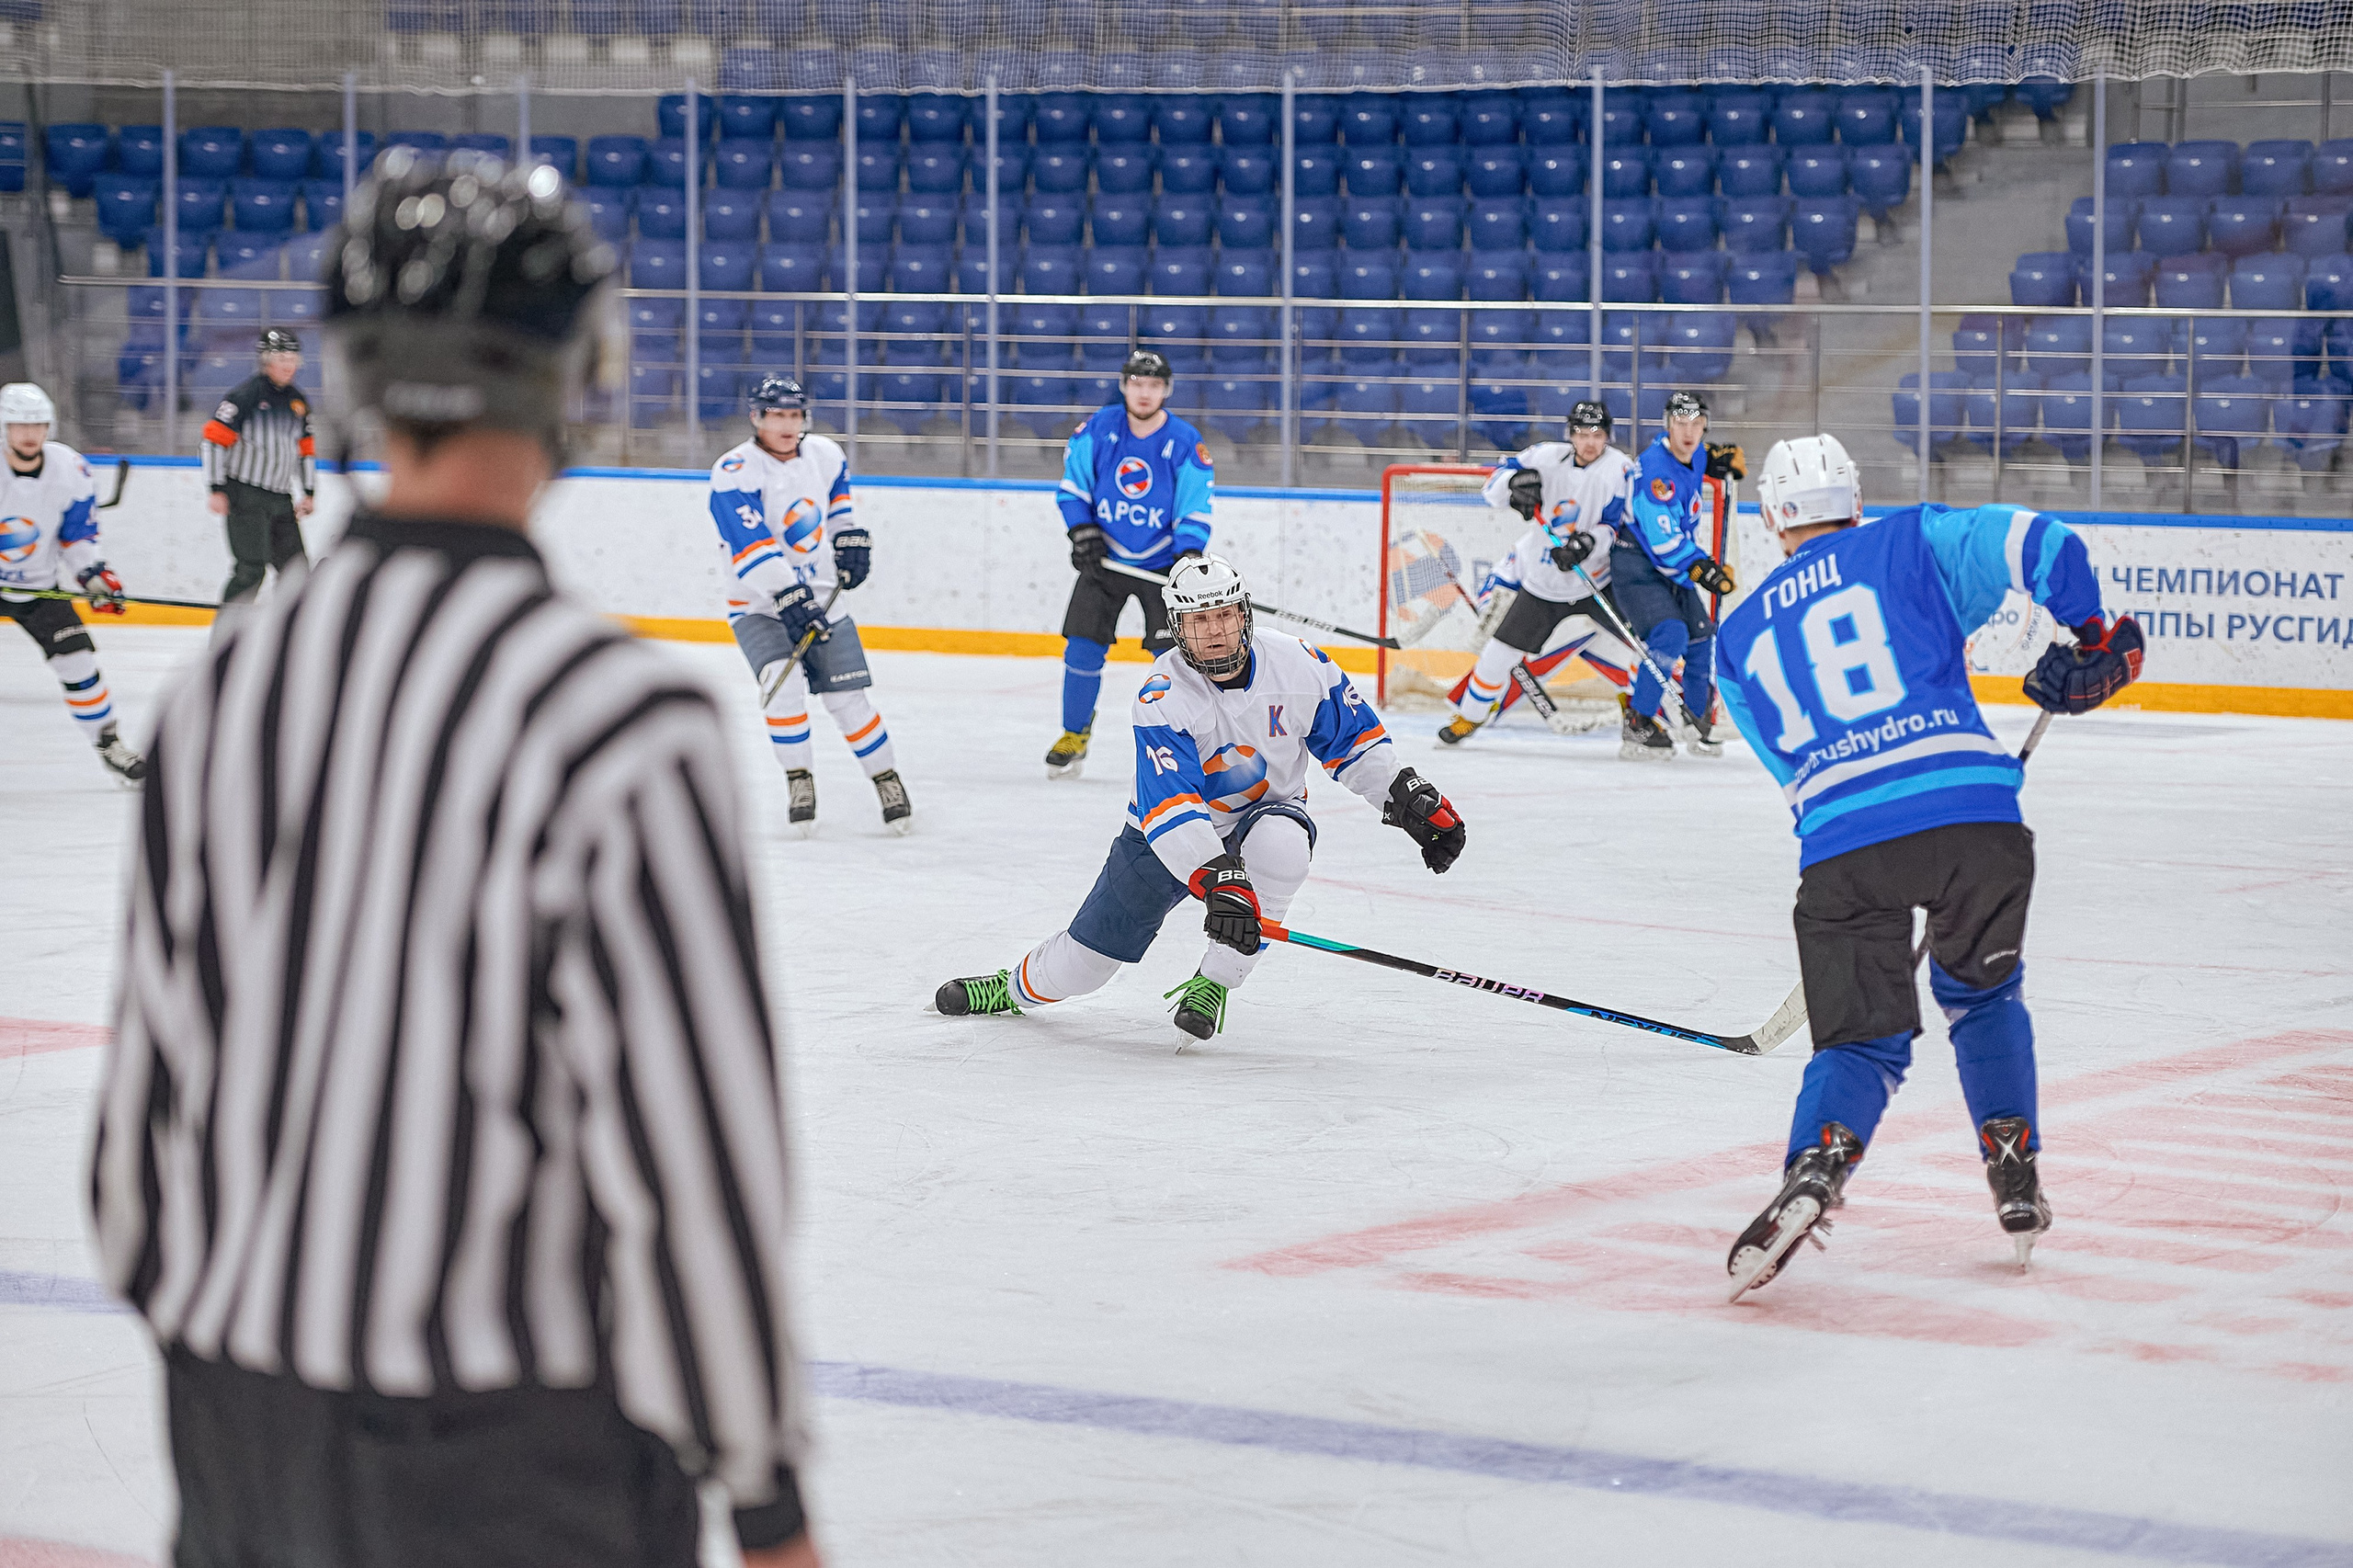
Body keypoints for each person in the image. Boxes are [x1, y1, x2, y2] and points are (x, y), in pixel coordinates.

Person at [91, 154, 821, 1568]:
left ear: (357, 376)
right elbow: (696, 1177)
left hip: (235, 1432)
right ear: (579, 373)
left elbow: (140, 1151)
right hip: (512, 1463)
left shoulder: (226, 684)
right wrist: (769, 1495)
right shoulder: (619, 721)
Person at [1713, 433, 2143, 1301]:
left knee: (1862, 1042)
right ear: (1855, 500)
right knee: (1983, 997)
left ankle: (1818, 1163)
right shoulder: (1912, 539)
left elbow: (1790, 777)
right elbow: (2041, 543)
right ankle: (2013, 1163)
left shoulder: (1738, 633)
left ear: (1771, 518)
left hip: (1840, 844)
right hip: (1971, 818)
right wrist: (2094, 639)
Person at [938, 555, 1467, 1044]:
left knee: (1283, 846)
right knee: (1086, 967)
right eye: (1197, 621)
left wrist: (1409, 796)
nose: (1213, 631)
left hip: (1264, 814)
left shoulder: (1301, 664)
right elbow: (1172, 808)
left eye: (1223, 616)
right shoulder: (1162, 694)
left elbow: (1356, 744)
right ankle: (1014, 987)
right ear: (1177, 627)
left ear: (1243, 615)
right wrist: (1217, 878)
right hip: (1167, 836)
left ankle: (1214, 982)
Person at [709, 371, 909, 836]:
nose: (786, 424)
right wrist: (786, 593)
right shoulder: (734, 471)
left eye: (794, 414)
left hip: (823, 601)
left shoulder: (826, 455)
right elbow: (748, 543)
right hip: (758, 606)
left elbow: (840, 511)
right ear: (756, 418)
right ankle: (799, 779)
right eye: (776, 414)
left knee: (848, 700)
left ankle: (887, 779)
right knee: (782, 685)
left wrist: (851, 541)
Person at [1045, 347, 1215, 779]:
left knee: (1171, 657)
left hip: (1160, 566)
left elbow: (1196, 506)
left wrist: (1188, 553)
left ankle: (1182, 740)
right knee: (1082, 646)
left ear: (1167, 390)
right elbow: (1072, 487)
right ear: (1124, 385)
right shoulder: (1099, 429)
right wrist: (1082, 531)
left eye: (1154, 384)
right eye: (1137, 383)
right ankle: (1074, 733)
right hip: (1106, 560)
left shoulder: (1184, 440)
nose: (1144, 392)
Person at [1439, 399, 1639, 744]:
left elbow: (1617, 524)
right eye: (1581, 433)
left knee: (1640, 646)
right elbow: (1494, 486)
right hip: (1544, 584)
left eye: (1597, 434)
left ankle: (1641, 714)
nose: (1590, 442)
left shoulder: (1619, 468)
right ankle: (1470, 717)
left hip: (1597, 582)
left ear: (1608, 435)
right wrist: (1515, 486)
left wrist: (1586, 544)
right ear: (1570, 434)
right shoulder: (1544, 455)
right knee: (1497, 654)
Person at [0, 381, 145, 784]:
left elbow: (77, 536)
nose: (29, 434)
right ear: (4, 428)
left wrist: (94, 576)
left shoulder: (69, 469)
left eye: (38, 425)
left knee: (77, 663)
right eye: (19, 425)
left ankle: (108, 742)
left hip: (39, 588)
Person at [1611, 390, 1744, 760]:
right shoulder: (1656, 471)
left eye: (1697, 424)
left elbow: (1701, 459)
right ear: (1668, 424)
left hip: (1673, 570)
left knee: (1702, 636)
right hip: (1638, 565)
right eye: (1681, 423)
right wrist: (1703, 568)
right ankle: (1639, 721)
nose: (1689, 431)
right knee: (1670, 634)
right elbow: (1663, 540)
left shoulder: (1693, 452)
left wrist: (1718, 462)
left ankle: (1696, 718)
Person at [200, 326, 317, 621]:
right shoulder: (246, 396)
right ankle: (224, 641)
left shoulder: (298, 402)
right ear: (266, 361)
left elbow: (305, 449)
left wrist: (309, 491)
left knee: (297, 573)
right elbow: (213, 442)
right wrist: (216, 488)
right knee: (250, 571)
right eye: (282, 358)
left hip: (281, 498)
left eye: (293, 358)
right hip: (246, 496)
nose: (289, 365)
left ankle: (283, 635)